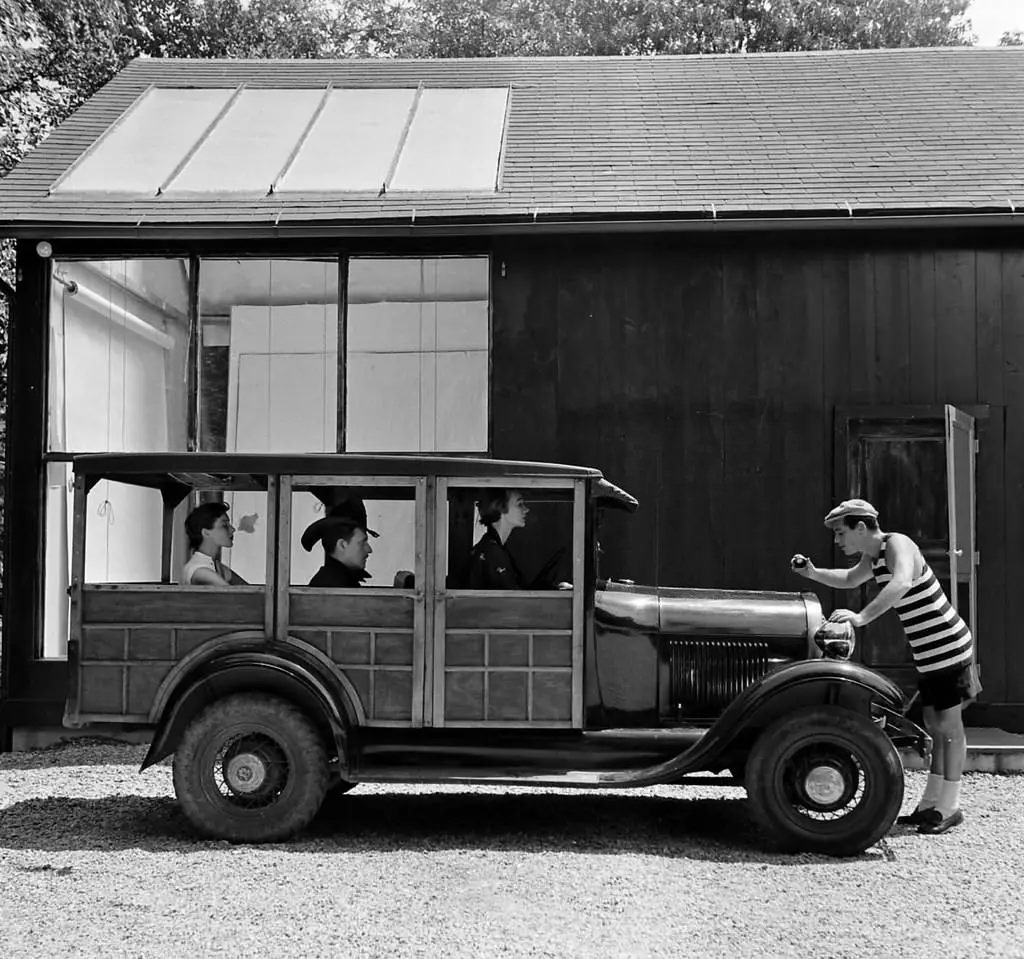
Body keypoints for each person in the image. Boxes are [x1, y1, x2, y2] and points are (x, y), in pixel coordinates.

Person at [791, 498, 980, 836]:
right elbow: (850, 579)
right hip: (929, 653)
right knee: (934, 723)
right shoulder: (874, 556)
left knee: (950, 727)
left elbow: (902, 582)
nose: (838, 541)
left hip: (948, 647)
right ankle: (929, 804)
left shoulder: (898, 544)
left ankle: (949, 807)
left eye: (840, 533)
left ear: (860, 527)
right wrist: (813, 573)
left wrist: (861, 617)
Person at [301, 497, 377, 588]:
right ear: (342, 545)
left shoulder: (338, 581)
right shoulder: (330, 585)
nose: (369, 550)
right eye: (362, 543)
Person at [466, 488, 529, 589]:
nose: (526, 509)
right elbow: (510, 600)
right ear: (501, 507)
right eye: (519, 504)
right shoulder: (493, 553)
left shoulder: (491, 548)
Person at [182, 501, 248, 586]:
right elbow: (234, 596)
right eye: (224, 525)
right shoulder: (200, 571)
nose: (232, 529)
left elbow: (247, 589)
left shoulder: (216, 566)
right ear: (206, 533)